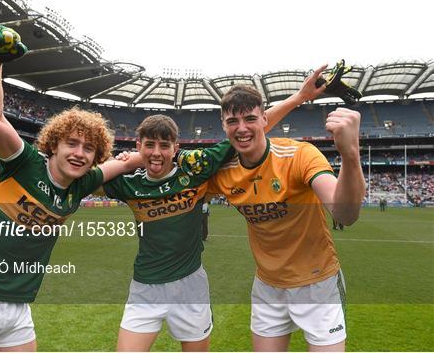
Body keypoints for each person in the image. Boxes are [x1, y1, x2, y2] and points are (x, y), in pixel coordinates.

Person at [0, 25, 142, 352]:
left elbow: (126, 164)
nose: (79, 153)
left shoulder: (81, 184)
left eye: (88, 149)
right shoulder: (24, 163)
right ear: (53, 144)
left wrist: (157, 157)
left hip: (15, 310)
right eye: (71, 143)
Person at [104, 65, 327, 352]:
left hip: (190, 285)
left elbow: (254, 127)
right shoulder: (128, 185)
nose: (156, 152)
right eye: (148, 146)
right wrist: (126, 162)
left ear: (176, 147)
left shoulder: (199, 166)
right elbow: (88, 178)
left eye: (164, 145)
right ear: (138, 145)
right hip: (144, 288)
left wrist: (298, 97)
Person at [206, 84, 365, 351]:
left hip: (318, 283)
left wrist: (350, 154)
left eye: (250, 119)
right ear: (223, 126)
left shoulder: (299, 155)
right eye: (232, 121)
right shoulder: (222, 172)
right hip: (268, 287)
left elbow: (345, 213)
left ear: (265, 119)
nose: (241, 128)